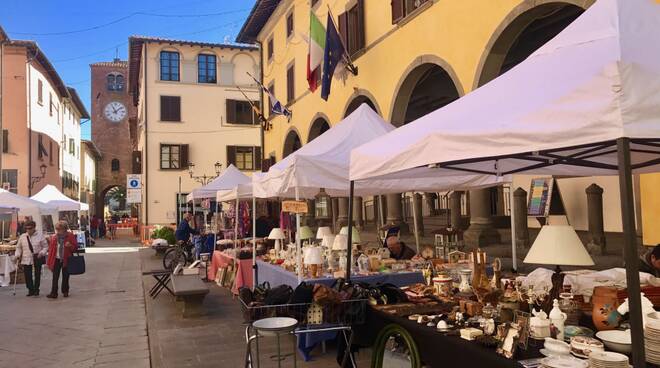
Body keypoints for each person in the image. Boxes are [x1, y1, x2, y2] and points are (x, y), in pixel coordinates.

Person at [13, 220, 48, 296]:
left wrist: (41, 253)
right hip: (26, 258)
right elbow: (18, 247)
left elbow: (45, 247)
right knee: (27, 274)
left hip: (37, 256)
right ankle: (30, 289)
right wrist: (17, 255)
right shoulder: (23, 236)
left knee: (37, 274)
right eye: (27, 228)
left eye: (30, 228)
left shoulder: (40, 235)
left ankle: (36, 289)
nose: (28, 230)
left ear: (34, 228)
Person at [47, 221, 78, 299]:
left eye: (59, 229)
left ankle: (65, 291)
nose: (57, 230)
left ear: (64, 229)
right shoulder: (54, 237)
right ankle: (54, 293)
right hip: (56, 259)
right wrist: (49, 260)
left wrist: (70, 245)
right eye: (57, 229)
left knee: (66, 276)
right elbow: (51, 249)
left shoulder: (70, 236)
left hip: (66, 259)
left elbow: (75, 248)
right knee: (55, 276)